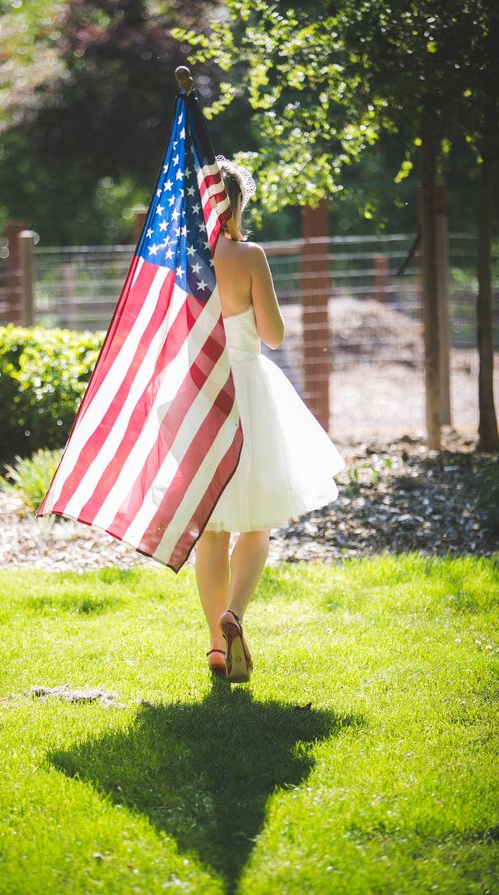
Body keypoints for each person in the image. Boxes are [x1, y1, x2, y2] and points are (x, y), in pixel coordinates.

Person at [195, 156, 345, 683]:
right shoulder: (250, 255)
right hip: (250, 389)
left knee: (211, 530)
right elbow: (274, 335)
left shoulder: (186, 262)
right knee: (255, 525)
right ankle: (235, 614)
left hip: (201, 396)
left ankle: (216, 645)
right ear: (239, 204)